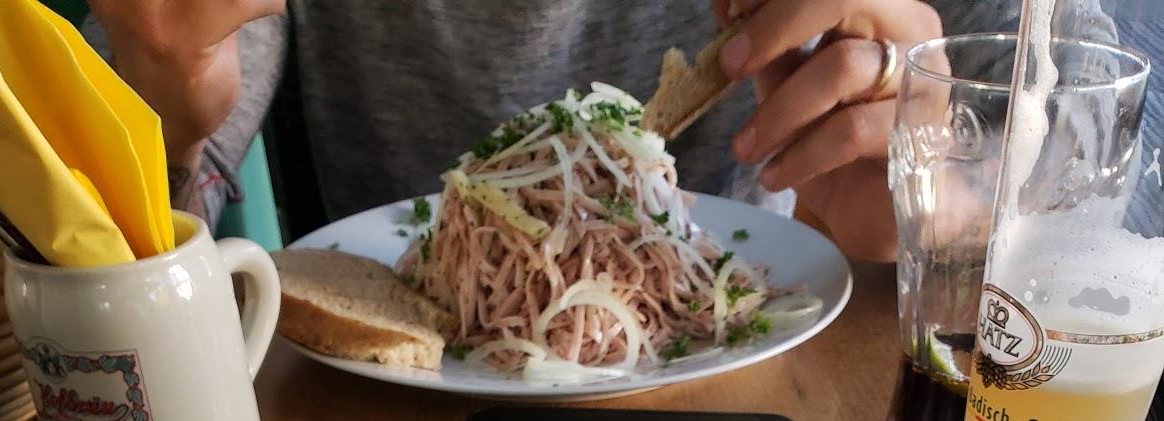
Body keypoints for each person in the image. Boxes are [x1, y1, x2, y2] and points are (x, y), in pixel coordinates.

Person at [87, 0, 943, 262]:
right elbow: (98, 216)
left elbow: (1065, 162)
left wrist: (945, 210)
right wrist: (157, 119)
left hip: (754, 414)